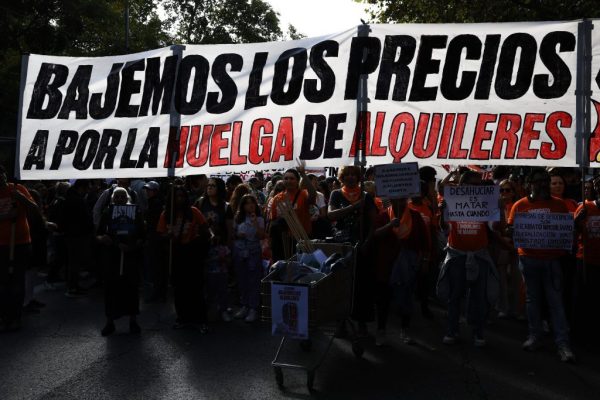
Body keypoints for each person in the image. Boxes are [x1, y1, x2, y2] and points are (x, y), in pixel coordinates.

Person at [507, 168, 575, 362]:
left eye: (545, 180)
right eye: (538, 181)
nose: (543, 184)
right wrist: (511, 229)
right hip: (528, 260)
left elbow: (566, 230)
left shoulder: (560, 205)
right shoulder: (520, 205)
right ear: (530, 184)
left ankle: (563, 344)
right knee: (533, 300)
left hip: (553, 261)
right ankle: (535, 336)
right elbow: (511, 228)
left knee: (556, 303)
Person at [437, 170, 498, 347]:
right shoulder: (452, 201)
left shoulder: (486, 202)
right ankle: (452, 330)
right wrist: (443, 210)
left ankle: (478, 332)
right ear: (461, 186)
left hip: (479, 254)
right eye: (471, 185)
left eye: (478, 186)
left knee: (479, 297)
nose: (474, 188)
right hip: (457, 255)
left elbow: (494, 227)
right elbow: (444, 228)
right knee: (455, 295)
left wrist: (498, 208)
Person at [372, 197, 429, 346]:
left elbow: (424, 240)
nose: (400, 203)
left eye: (403, 199)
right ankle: (381, 330)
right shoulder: (383, 215)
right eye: (397, 199)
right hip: (386, 264)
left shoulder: (415, 216)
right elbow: (375, 234)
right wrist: (390, 225)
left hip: (408, 264)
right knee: (384, 299)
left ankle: (405, 329)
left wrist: (424, 260)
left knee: (407, 296)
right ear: (391, 200)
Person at [327, 166, 377, 336]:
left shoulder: (366, 195)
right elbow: (331, 215)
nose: (350, 177)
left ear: (358, 177)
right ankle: (341, 322)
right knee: (341, 284)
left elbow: (373, 222)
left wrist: (368, 242)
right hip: (342, 245)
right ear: (342, 177)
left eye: (353, 174)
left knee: (362, 286)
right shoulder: (336, 194)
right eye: (346, 174)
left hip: (362, 247)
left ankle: (362, 322)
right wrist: (354, 207)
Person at [157, 185, 210, 332]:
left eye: (182, 196)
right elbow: (160, 233)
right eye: (177, 196)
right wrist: (166, 236)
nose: (180, 199)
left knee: (196, 287)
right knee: (180, 288)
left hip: (192, 253)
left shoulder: (194, 212)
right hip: (176, 254)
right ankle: (183, 318)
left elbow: (205, 229)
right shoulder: (166, 214)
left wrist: (199, 236)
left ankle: (200, 320)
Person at [96, 188, 145, 336]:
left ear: (127, 198)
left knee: (131, 288)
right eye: (116, 197)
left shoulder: (135, 213)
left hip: (130, 257)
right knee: (111, 289)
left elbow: (142, 235)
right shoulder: (107, 213)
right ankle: (110, 322)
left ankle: (133, 321)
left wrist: (133, 246)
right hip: (112, 257)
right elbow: (98, 234)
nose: (119, 199)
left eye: (122, 196)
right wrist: (103, 238)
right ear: (112, 199)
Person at [0, 165, 38, 332]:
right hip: (1, 245)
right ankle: (4, 317)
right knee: (2, 283)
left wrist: (21, 198)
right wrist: (6, 216)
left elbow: (34, 208)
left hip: (21, 243)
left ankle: (15, 317)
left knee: (17, 282)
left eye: (2, 175)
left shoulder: (18, 189)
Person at [195, 178, 233, 322]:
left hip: (220, 248)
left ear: (220, 188)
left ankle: (223, 308)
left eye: (213, 186)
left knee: (221, 280)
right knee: (205, 280)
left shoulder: (226, 207)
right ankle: (207, 309)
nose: (209, 188)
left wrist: (228, 250)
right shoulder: (200, 203)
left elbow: (230, 230)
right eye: (208, 185)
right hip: (203, 247)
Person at [269, 166, 316, 262]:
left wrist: (303, 174)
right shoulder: (277, 198)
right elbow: (273, 220)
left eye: (292, 178)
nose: (288, 181)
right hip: (282, 241)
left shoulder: (303, 194)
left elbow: (312, 195)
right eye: (286, 178)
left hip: (301, 240)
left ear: (297, 181)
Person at [232, 194, 265, 323]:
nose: (250, 205)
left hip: (254, 251)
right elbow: (233, 233)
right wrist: (238, 234)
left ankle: (253, 308)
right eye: (247, 203)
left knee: (253, 280)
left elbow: (261, 236)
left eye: (252, 202)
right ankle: (245, 305)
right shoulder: (238, 218)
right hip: (240, 251)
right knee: (242, 279)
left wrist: (255, 222)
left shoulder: (260, 219)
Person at [495, 179, 524, 320]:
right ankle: (503, 307)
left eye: (508, 190)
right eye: (501, 190)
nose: (504, 193)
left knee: (517, 279)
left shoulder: (518, 206)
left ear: (513, 192)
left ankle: (517, 309)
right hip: (501, 245)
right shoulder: (494, 207)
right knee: (501, 279)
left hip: (517, 245)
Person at [63, 180, 94, 298]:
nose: (88, 190)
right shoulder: (77, 200)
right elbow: (84, 217)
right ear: (81, 187)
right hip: (77, 234)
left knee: (73, 261)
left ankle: (73, 285)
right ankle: (72, 287)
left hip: (72, 233)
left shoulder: (69, 197)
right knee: (74, 262)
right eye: (87, 188)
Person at [143, 181, 166, 303]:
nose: (147, 192)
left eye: (149, 190)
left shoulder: (156, 203)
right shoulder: (154, 202)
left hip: (155, 238)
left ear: (155, 191)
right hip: (155, 237)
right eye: (147, 190)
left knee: (156, 266)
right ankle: (159, 291)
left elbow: (153, 221)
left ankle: (158, 292)